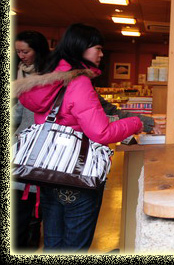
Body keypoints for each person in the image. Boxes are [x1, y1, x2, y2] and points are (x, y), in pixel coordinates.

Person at [14, 23, 143, 252]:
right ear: (81, 48)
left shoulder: (49, 80)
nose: (101, 54)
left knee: (53, 243)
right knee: (75, 247)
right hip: (76, 175)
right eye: (98, 48)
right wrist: (137, 122)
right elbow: (100, 132)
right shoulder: (79, 82)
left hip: (47, 173)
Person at [11, 31, 50, 251]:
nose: (21, 56)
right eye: (17, 52)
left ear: (39, 50)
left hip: (39, 154)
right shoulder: (20, 73)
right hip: (22, 149)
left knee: (29, 211)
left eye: (25, 51)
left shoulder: (48, 78)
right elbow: (17, 114)